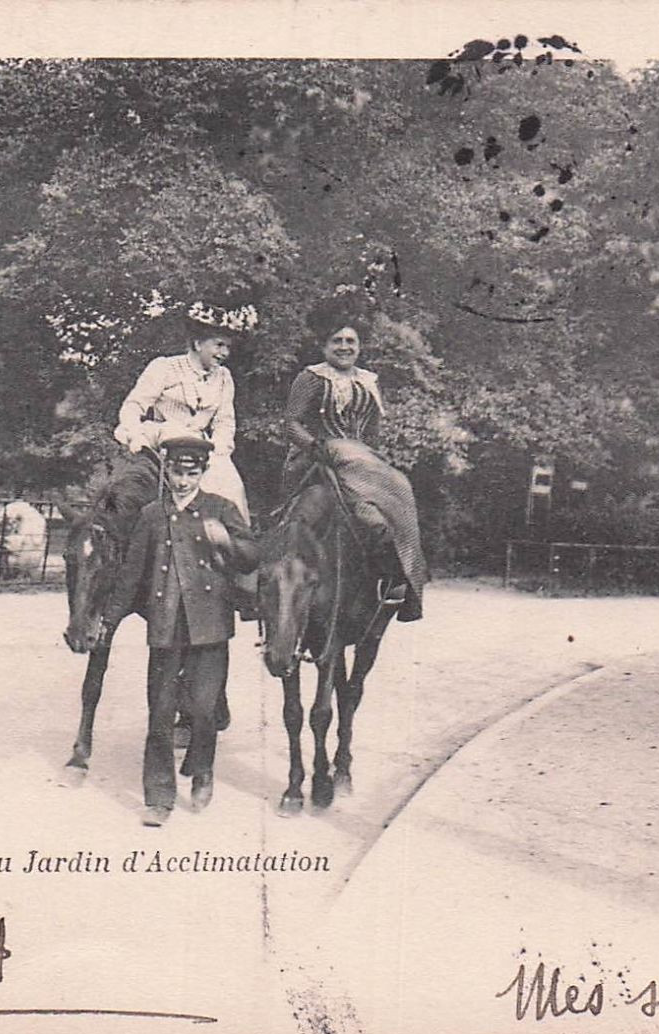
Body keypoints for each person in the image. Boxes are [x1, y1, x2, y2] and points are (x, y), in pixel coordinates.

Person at [99, 434, 259, 827]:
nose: (182, 480)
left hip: (210, 626)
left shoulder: (221, 508)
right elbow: (132, 572)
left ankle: (202, 771)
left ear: (203, 472)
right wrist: (110, 619)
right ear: (167, 470)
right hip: (166, 624)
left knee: (204, 712)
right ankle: (159, 798)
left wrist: (227, 541)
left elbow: (253, 555)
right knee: (159, 714)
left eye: (191, 473)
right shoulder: (152, 514)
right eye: (176, 471)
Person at [282, 298, 426, 622]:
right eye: (337, 341)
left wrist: (375, 462)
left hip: (361, 460)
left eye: (351, 341)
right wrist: (315, 446)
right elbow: (291, 423)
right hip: (316, 458)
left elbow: (371, 430)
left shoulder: (368, 381)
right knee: (315, 519)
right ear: (324, 346)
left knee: (400, 490)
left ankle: (398, 579)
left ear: (359, 346)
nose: (344, 347)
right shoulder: (311, 378)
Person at [115, 306, 248, 519]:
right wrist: (134, 435)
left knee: (230, 484)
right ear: (197, 343)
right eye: (219, 345)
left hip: (204, 446)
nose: (225, 353)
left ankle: (232, 543)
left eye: (228, 347)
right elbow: (133, 406)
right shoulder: (164, 367)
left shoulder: (224, 377)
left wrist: (220, 451)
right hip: (162, 440)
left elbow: (225, 421)